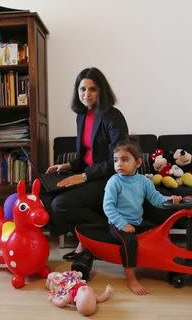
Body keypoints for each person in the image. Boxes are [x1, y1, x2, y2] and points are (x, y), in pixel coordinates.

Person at [43, 67, 129, 260]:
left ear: (101, 91)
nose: (86, 94)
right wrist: (68, 166)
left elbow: (118, 160)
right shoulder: (82, 116)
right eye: (82, 89)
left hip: (109, 178)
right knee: (43, 188)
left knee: (60, 204)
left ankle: (100, 236)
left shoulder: (112, 116)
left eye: (92, 89)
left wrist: (83, 176)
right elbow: (86, 154)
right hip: (88, 173)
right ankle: (87, 240)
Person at [103, 139, 182, 295]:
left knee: (160, 233)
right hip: (118, 222)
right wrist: (122, 224)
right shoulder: (114, 181)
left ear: (137, 163)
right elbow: (108, 207)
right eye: (116, 160)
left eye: (125, 160)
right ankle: (131, 278)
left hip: (137, 221)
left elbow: (156, 198)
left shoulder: (143, 181)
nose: (119, 164)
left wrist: (170, 199)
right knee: (129, 241)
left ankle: (170, 268)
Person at [46, 270, 114, 316]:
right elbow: (101, 298)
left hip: (65, 283)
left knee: (53, 276)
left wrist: (52, 299)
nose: (87, 287)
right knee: (77, 274)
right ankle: (77, 275)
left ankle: (48, 281)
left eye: (83, 289)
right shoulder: (93, 296)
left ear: (75, 298)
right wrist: (107, 291)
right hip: (75, 280)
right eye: (89, 290)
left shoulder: (70, 296)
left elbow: (61, 303)